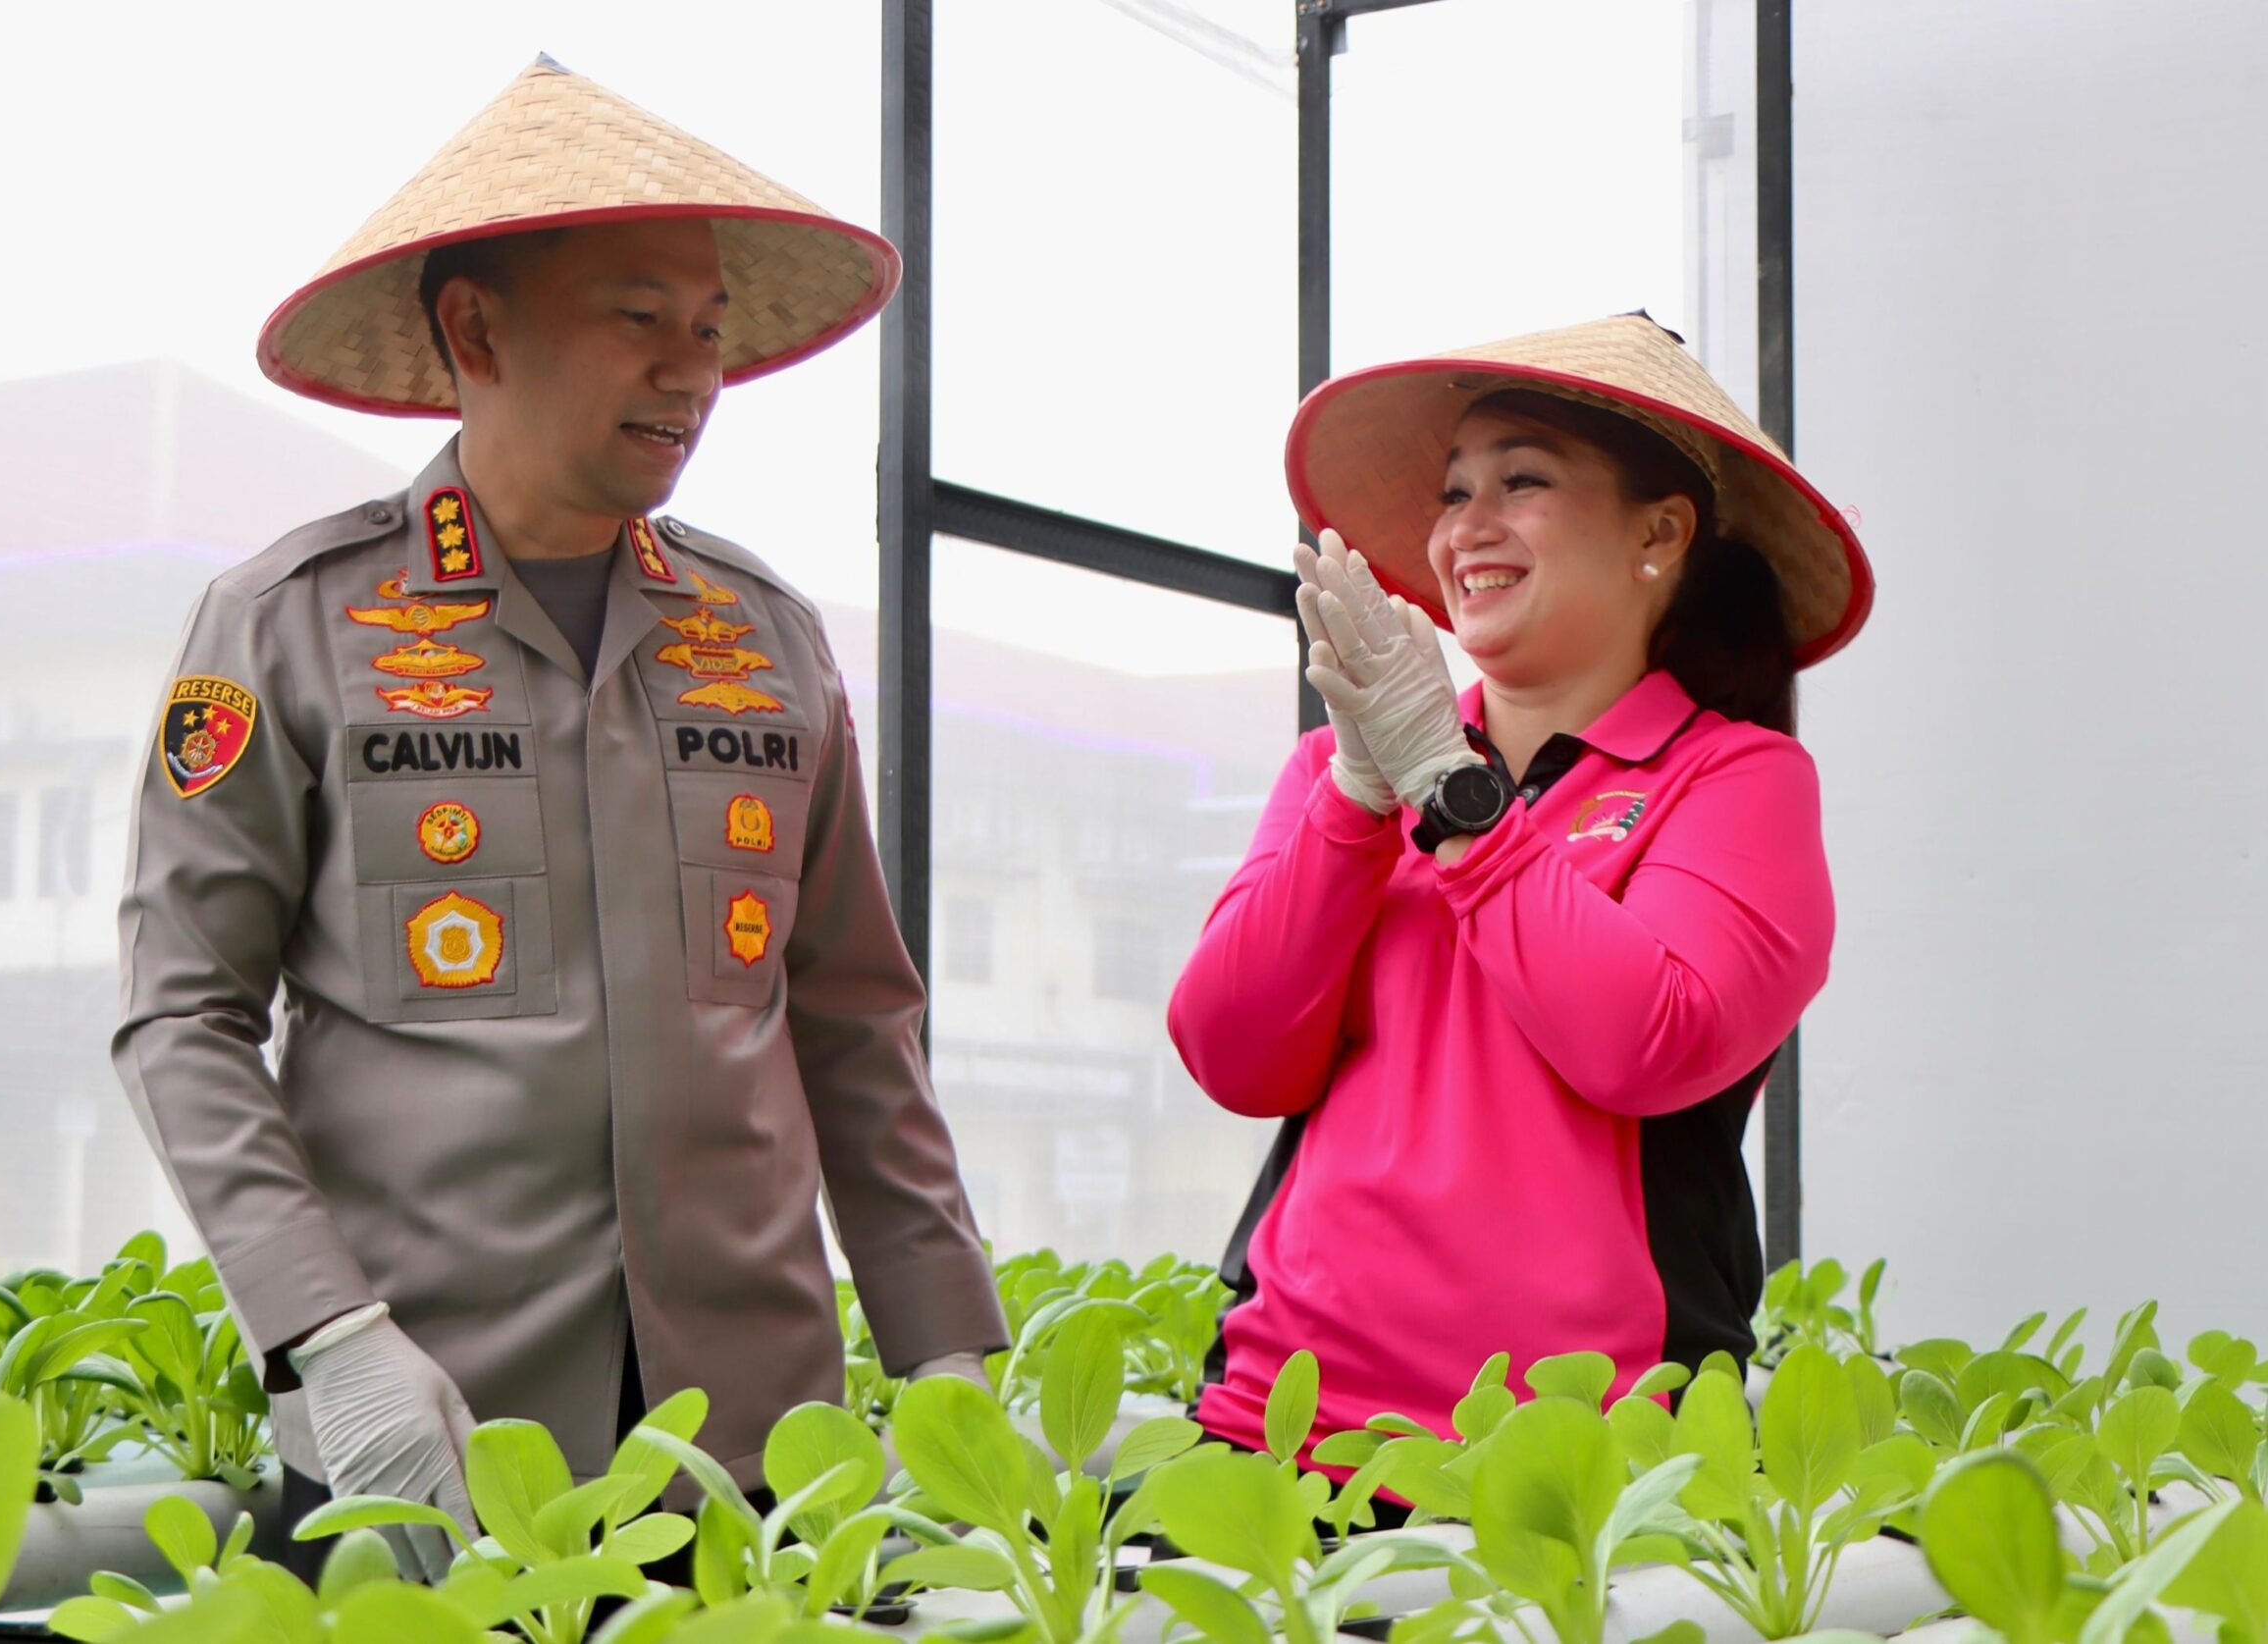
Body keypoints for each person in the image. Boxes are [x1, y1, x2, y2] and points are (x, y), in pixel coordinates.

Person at [113, 57, 1004, 1573]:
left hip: (746, 1471)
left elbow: (855, 1020)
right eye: (640, 318)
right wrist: (330, 1335)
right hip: (429, 1447)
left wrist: (950, 1353)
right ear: (476, 329)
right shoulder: (286, 623)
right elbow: (183, 1017)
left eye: (710, 332)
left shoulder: (767, 636)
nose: (693, 372)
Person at [1169, 313, 1873, 1454]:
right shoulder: (1335, 774)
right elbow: (1230, 1051)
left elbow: (1648, 1039)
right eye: (1453, 493)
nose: (1466, 528)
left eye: (1521, 480)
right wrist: (1358, 795)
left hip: (1580, 1452)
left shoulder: (1739, 780)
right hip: (1279, 1425)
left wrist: (1450, 793)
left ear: (1659, 533)